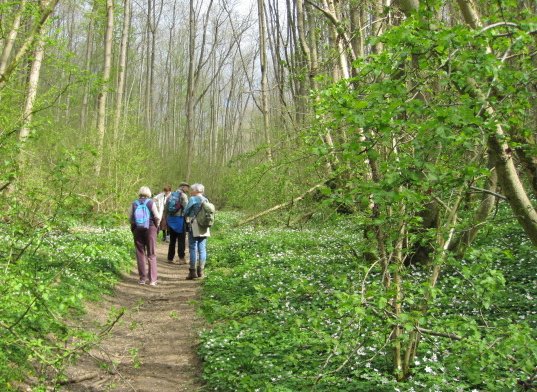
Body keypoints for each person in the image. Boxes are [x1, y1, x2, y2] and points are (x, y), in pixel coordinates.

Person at [129, 186, 160, 286]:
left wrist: (134, 228)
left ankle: (142, 279)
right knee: (151, 254)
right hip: (150, 229)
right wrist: (157, 227)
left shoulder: (134, 203)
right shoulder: (151, 203)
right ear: (149, 194)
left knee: (140, 253)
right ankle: (152, 280)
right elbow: (157, 216)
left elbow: (130, 217)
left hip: (138, 230)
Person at [183, 183, 210, 280]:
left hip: (194, 225)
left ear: (195, 191)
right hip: (204, 226)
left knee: (193, 248)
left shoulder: (193, 199)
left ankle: (192, 272)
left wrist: (189, 214)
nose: (190, 191)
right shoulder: (205, 199)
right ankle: (201, 271)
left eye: (192, 190)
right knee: (202, 248)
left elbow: (185, 212)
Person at [166, 182, 190, 264]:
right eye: (187, 187)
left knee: (172, 240)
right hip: (180, 219)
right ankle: (181, 259)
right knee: (181, 240)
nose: (188, 189)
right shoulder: (183, 196)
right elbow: (186, 208)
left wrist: (167, 219)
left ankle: (170, 258)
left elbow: (166, 208)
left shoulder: (171, 195)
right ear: (182, 187)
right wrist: (187, 219)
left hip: (171, 219)